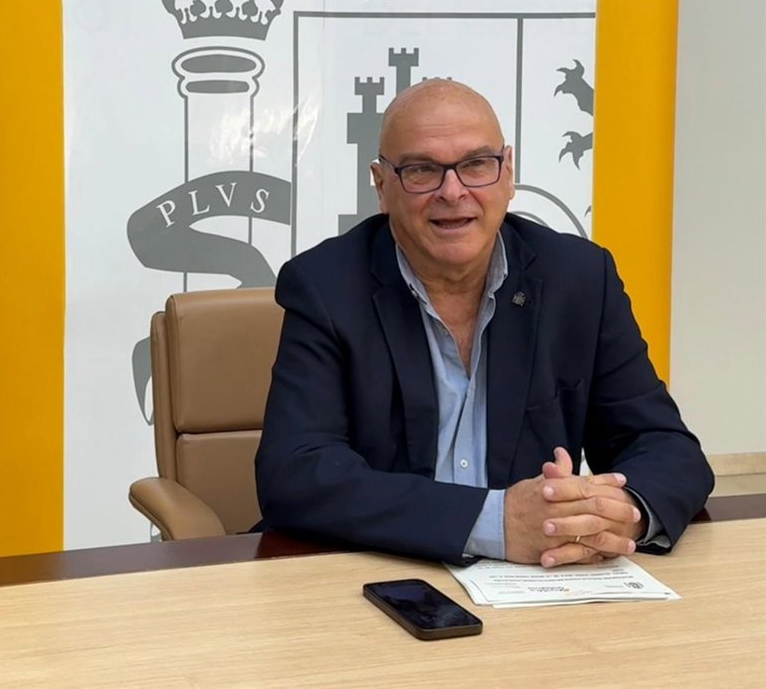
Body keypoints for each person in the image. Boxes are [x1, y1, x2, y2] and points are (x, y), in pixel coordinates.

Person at [255, 79, 713, 567]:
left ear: (508, 173)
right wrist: (493, 523)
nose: (453, 192)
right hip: (374, 570)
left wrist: (618, 512)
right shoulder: (325, 286)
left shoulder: (579, 278)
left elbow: (665, 446)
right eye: (422, 170)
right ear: (382, 185)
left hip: (537, 578)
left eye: (476, 164)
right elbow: (296, 473)